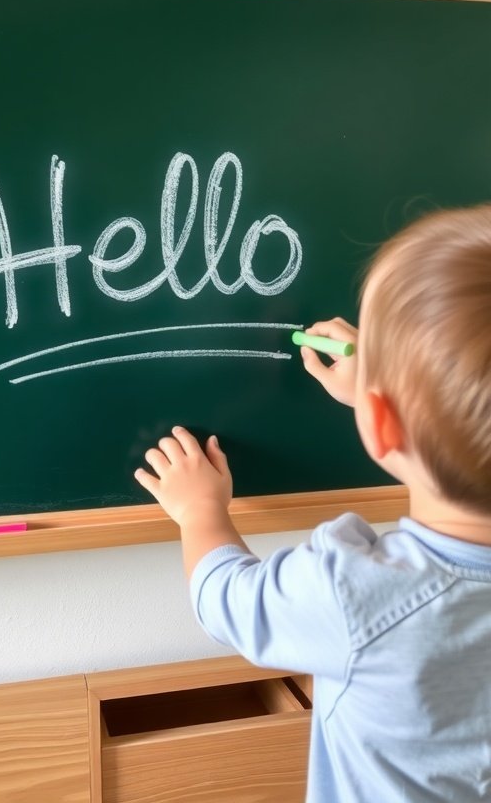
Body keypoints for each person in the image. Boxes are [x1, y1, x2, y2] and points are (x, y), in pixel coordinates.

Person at [134, 204, 491, 803]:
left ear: (380, 426)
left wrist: (201, 512)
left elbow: (226, 600)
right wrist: (387, 397)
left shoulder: (358, 595)